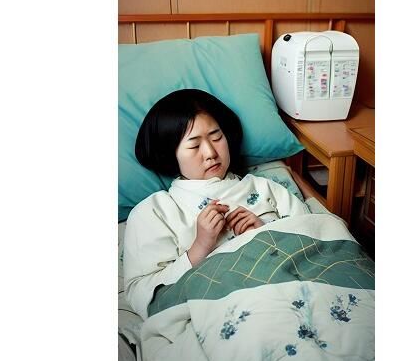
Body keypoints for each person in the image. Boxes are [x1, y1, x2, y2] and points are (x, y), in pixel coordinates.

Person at [123, 89, 309, 320]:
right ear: (171, 155)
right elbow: (141, 293)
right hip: (227, 313)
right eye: (194, 146)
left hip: (293, 294)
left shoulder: (265, 188)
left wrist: (266, 234)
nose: (210, 152)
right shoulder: (154, 212)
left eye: (216, 137)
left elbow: (317, 240)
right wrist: (200, 247)